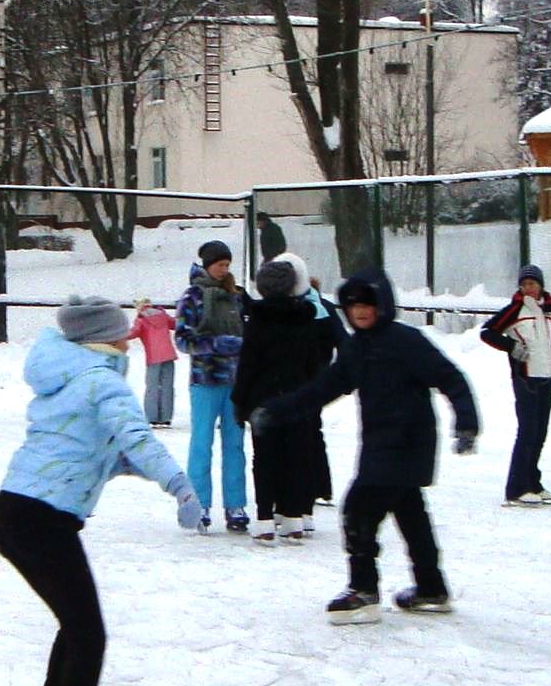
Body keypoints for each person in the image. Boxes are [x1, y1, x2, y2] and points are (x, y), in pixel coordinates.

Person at [0, 294, 201, 686]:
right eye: (120, 329)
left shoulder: (67, 375)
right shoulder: (101, 381)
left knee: (76, 629)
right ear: (99, 337)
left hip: (18, 512)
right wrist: (178, 483)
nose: (129, 334)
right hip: (41, 518)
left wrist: (131, 470)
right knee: (86, 633)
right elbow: (137, 439)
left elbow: (86, 446)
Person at [257, 268, 479, 624]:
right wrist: (276, 411)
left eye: (367, 304)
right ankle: (431, 588)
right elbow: (322, 389)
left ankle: (363, 590)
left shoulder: (405, 341)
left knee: (359, 510)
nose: (359, 311)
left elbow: (450, 378)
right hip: (381, 443)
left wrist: (467, 423)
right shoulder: (356, 349)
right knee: (410, 513)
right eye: (352, 305)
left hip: (407, 441)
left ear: (383, 304)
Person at [231, 257, 341, 541]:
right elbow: (312, 360)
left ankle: (266, 517)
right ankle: (294, 516)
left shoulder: (258, 319)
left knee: (265, 459)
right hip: (297, 398)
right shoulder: (305, 316)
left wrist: (239, 399)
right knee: (295, 456)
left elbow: (248, 363)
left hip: (263, 400)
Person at [479, 264, 551, 506]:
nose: (528, 288)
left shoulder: (549, 312)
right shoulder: (515, 309)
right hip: (525, 378)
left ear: (541, 285)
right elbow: (487, 332)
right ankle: (516, 489)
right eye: (524, 284)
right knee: (527, 431)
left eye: (532, 283)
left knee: (539, 433)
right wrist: (512, 347)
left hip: (545, 377)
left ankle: (532, 482)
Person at [174, 239, 250, 532]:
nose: (224, 269)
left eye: (227, 265)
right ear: (207, 265)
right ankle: (200, 503)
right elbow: (182, 339)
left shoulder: (236, 295)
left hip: (234, 382)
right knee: (201, 443)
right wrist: (217, 344)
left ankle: (236, 504)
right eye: (220, 264)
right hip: (205, 381)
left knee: (235, 445)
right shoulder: (192, 296)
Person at [130, 297, 179, 426]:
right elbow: (176, 324)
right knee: (168, 386)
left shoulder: (141, 319)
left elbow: (133, 333)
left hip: (153, 357)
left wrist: (116, 336)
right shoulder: (162, 315)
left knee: (152, 387)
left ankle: (152, 417)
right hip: (169, 354)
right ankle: (166, 417)